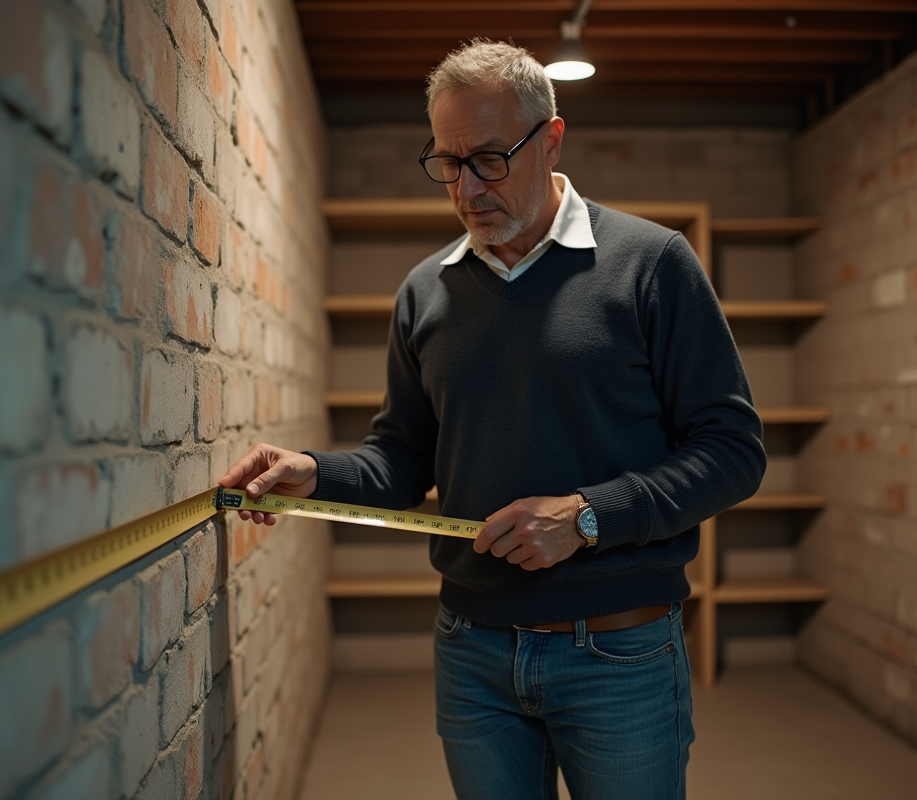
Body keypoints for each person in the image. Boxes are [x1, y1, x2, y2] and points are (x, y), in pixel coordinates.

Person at [219, 40, 765, 800]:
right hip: (470, 653)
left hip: (620, 653)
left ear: (550, 140)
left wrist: (587, 516)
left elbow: (733, 451)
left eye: (488, 160)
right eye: (446, 162)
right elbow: (404, 459)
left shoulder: (653, 265)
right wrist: (317, 471)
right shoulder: (425, 292)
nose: (466, 187)